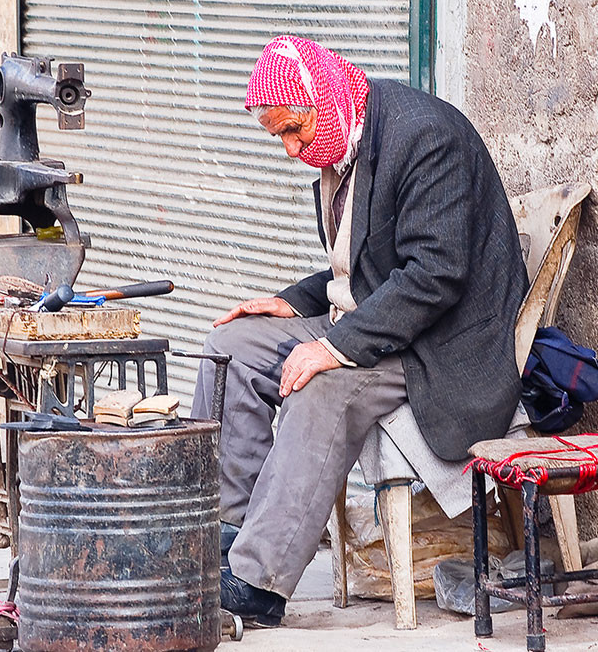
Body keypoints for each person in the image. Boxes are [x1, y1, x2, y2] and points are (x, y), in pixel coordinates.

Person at [190, 35, 529, 627]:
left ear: (321, 94)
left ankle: (256, 582)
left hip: (445, 345)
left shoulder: (426, 138)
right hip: (383, 322)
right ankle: (229, 532)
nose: (293, 150)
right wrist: (294, 303)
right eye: (281, 139)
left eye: (295, 130)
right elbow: (368, 262)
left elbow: (434, 276)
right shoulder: (342, 141)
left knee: (321, 387)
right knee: (231, 347)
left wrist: (333, 347)